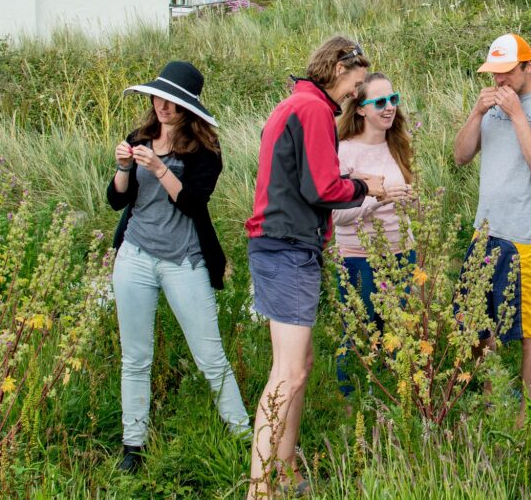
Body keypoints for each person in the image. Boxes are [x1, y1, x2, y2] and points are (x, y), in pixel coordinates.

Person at [245, 37, 386, 498]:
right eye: (356, 82)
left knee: (300, 364)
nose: (356, 93)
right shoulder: (312, 110)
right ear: (338, 69)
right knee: (288, 371)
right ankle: (260, 488)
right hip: (285, 246)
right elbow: (322, 188)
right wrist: (365, 185)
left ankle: (283, 473)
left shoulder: (300, 103)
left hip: (286, 244)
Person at [107, 61, 249, 473]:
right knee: (135, 358)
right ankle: (133, 444)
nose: (162, 106)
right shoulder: (138, 138)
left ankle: (242, 433)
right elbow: (118, 201)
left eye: (171, 101)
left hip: (183, 260)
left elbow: (191, 203)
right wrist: (123, 168)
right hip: (134, 255)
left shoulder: (206, 150)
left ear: (187, 107)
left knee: (211, 356)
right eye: (158, 97)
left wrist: (159, 168)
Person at [453, 33, 531, 404]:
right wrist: (476, 113)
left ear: (529, 66)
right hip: (485, 232)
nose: (499, 81)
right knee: (472, 324)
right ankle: (493, 400)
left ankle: (529, 415)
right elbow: (460, 156)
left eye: (507, 72)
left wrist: (518, 116)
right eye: (494, 73)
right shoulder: (489, 105)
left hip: (527, 237)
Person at [332, 73, 416, 399]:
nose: (389, 108)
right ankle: (353, 409)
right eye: (380, 102)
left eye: (393, 100)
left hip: (401, 253)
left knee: (400, 335)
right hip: (358, 257)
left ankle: (394, 405)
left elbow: (405, 198)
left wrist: (409, 199)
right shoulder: (344, 151)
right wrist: (376, 197)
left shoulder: (398, 144)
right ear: (361, 109)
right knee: (359, 337)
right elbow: (337, 215)